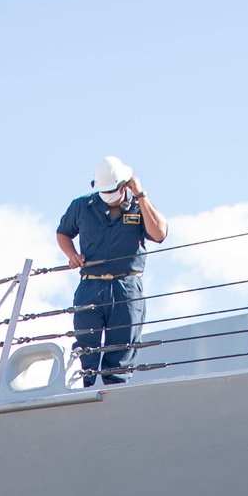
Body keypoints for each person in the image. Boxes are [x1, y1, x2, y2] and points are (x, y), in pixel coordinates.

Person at [56, 157, 168, 388]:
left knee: (122, 348)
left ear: (125, 184)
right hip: (91, 285)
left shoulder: (139, 207)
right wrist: (72, 255)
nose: (108, 196)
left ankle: (115, 392)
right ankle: (82, 390)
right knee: (85, 348)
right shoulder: (82, 206)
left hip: (126, 286)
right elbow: (63, 232)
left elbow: (159, 234)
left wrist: (141, 195)